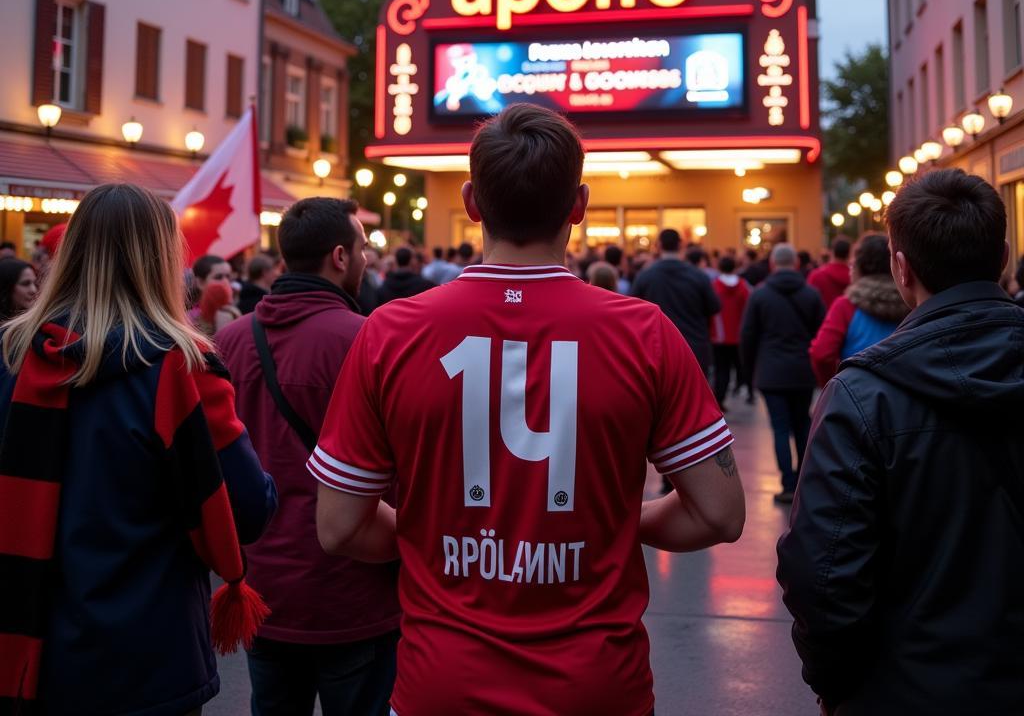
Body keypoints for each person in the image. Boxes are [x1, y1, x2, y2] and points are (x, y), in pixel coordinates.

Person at [310, 103, 744, 716]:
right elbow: (719, 515)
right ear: (579, 204)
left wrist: (433, 536)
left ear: (471, 202)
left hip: (442, 685)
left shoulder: (391, 332)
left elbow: (340, 526)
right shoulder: (644, 333)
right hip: (599, 686)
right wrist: (621, 523)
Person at [0, 183, 277, 716]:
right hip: (150, 657)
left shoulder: (13, 358)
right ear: (162, 260)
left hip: (31, 650)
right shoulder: (181, 369)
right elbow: (249, 510)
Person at [777, 169, 1024, 715]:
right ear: (1002, 256)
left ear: (900, 266)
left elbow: (821, 572)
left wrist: (838, 685)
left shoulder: (863, 395)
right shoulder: (865, 394)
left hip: (911, 687)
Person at [217, 198, 401, 716]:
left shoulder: (228, 342)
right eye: (363, 247)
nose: (367, 259)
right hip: (355, 589)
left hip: (263, 588)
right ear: (340, 257)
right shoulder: (368, 340)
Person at [740, 243, 825, 504]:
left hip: (771, 370)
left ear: (773, 264)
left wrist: (749, 370)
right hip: (801, 370)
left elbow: (748, 336)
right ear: (796, 264)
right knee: (802, 425)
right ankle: (803, 481)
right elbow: (821, 332)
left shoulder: (760, 295)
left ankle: (787, 483)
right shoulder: (811, 294)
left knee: (779, 428)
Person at [809, 233, 909, 385]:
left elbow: (821, 354)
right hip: (903, 391)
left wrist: (832, 386)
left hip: (856, 392)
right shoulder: (909, 304)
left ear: (858, 266)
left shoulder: (846, 305)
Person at [631, 228, 721, 374]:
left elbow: (633, 310)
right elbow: (714, 307)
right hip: (694, 346)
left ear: (658, 245)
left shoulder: (645, 276)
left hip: (657, 348)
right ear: (680, 245)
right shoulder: (698, 275)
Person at [711, 255, 751, 407]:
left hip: (719, 335)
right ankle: (747, 391)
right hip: (739, 334)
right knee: (741, 366)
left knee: (722, 370)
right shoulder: (743, 286)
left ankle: (719, 399)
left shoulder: (714, 286)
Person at [807, 236, 851, 308]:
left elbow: (808, 301)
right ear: (849, 254)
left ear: (831, 252)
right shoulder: (854, 278)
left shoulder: (816, 276)